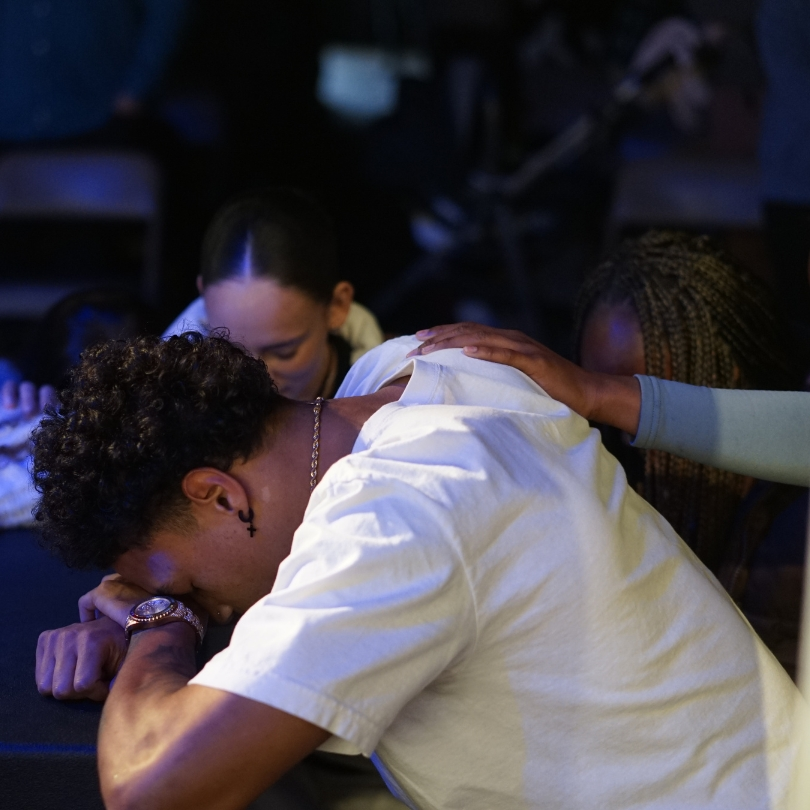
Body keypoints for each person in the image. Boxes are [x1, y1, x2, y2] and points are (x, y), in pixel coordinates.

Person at [34, 331, 799, 809]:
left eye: (186, 581)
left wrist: (158, 623)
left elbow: (151, 788)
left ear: (216, 494)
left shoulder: (395, 521)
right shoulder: (423, 365)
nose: (207, 605)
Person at [163, 187, 384, 400]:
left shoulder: (392, 397)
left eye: (284, 353)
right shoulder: (182, 401)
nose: (254, 383)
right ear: (205, 302)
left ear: (337, 306)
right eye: (228, 354)